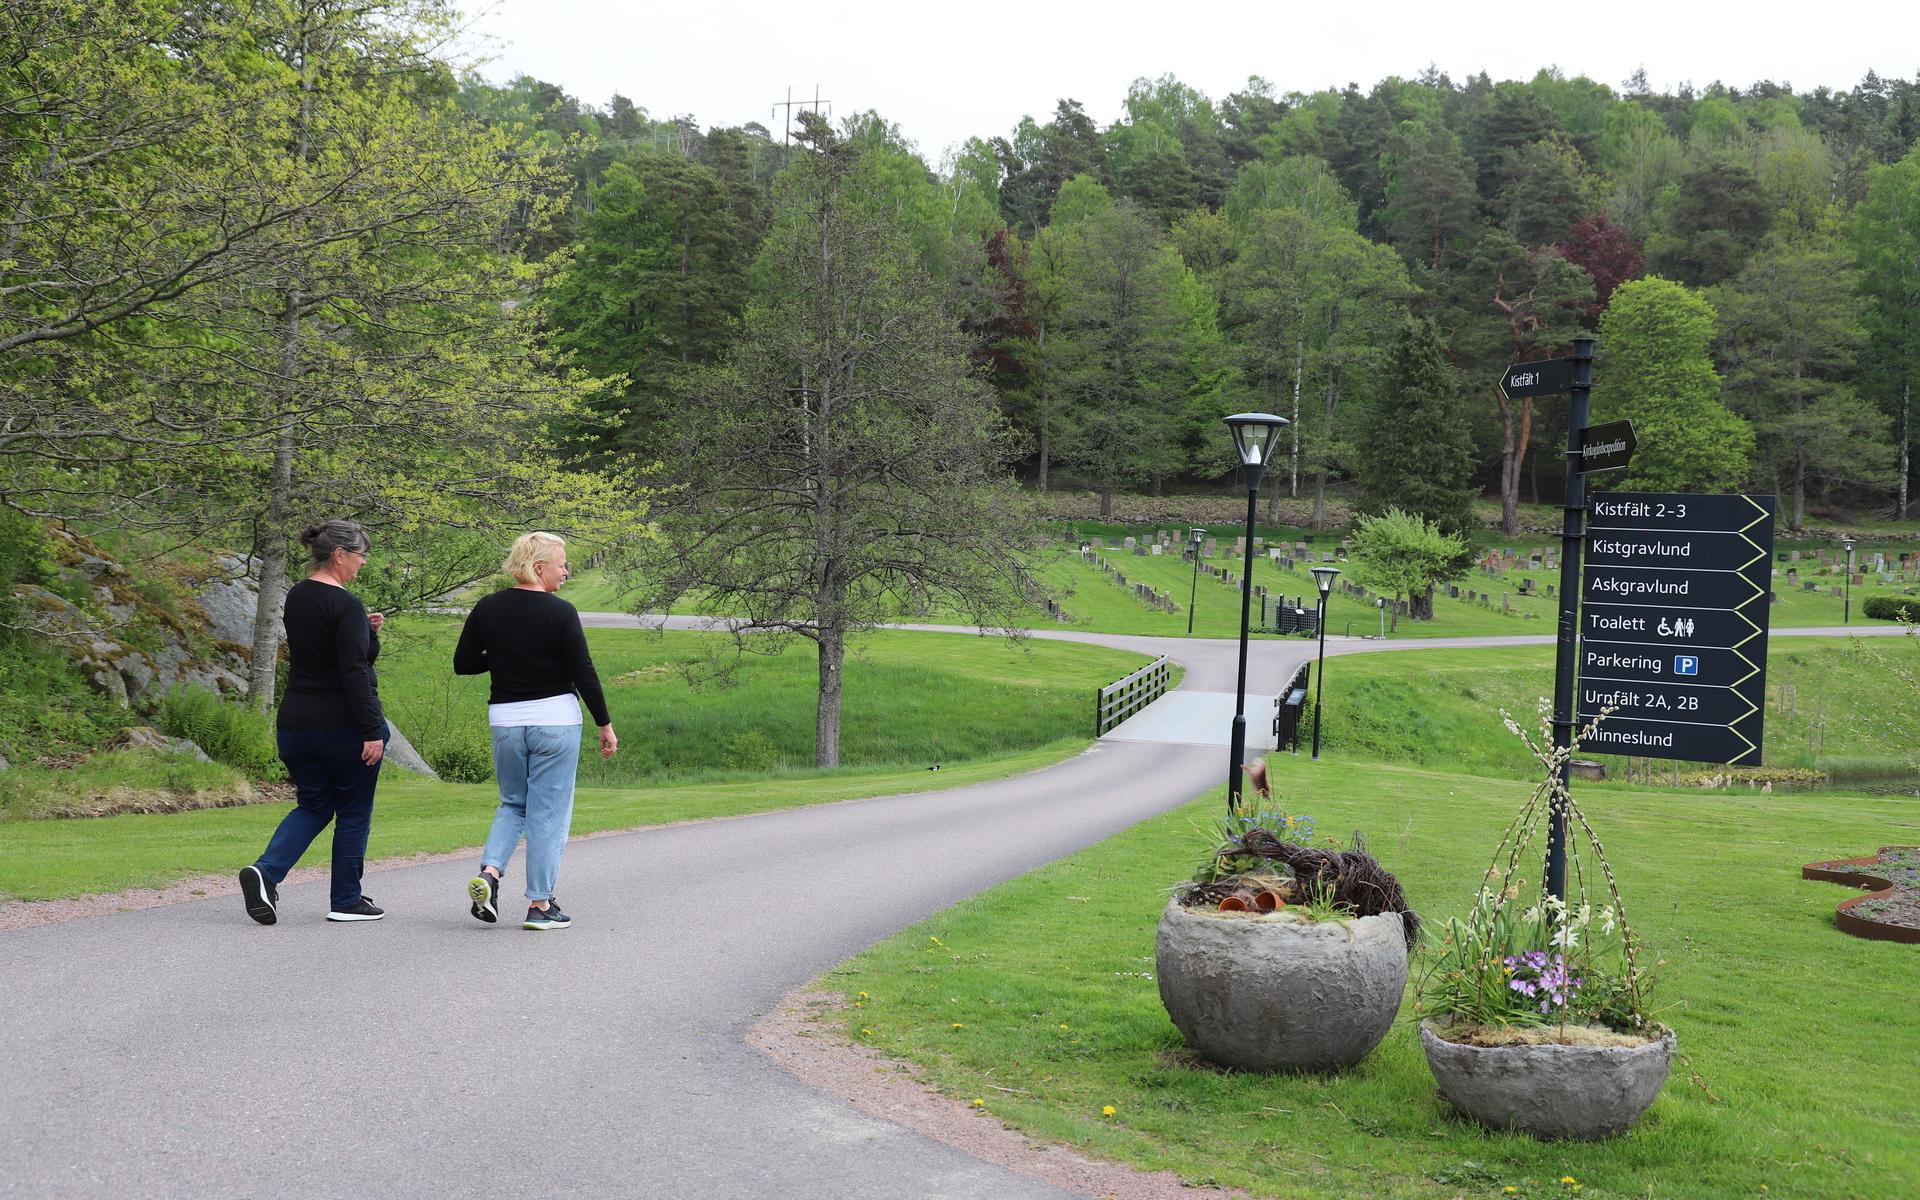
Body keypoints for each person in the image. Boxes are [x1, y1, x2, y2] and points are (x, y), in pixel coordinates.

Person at [454, 532, 616, 930]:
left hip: (506, 722)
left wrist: (507, 656)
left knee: (513, 803)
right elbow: (584, 672)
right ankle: (540, 906)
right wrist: (604, 723)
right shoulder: (560, 612)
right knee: (548, 814)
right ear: (538, 567)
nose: (566, 570)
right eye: (561, 564)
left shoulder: (487, 607)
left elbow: (464, 663)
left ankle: (490, 874)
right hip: (555, 720)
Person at [239, 519, 389, 925]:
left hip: (296, 723)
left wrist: (366, 633)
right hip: (342, 725)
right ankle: (346, 898)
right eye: (360, 555)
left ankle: (265, 872)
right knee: (354, 811)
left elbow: (327, 654)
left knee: (314, 804)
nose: (363, 563)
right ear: (339, 555)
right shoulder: (346, 605)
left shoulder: (298, 597)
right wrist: (372, 731)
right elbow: (354, 672)